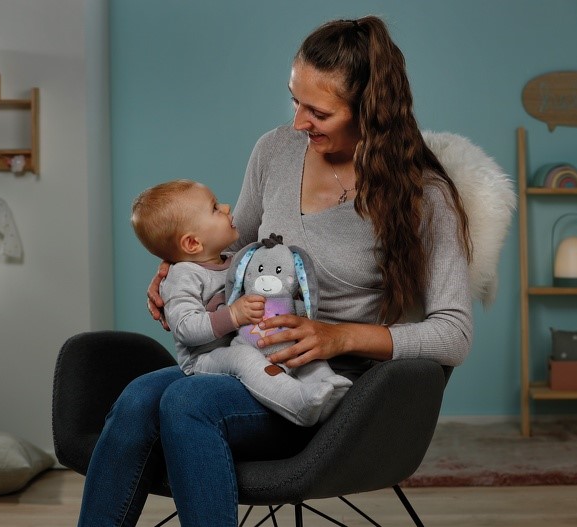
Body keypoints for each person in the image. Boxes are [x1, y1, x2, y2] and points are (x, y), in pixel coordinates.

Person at [78, 15, 473, 527]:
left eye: (319, 112)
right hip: (247, 355)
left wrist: (338, 336)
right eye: (295, 102)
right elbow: (233, 245)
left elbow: (453, 333)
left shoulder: (425, 197)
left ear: (371, 111)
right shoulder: (276, 150)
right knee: (136, 399)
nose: (299, 123)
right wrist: (178, 271)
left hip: (323, 387)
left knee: (188, 402)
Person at [129, 180, 352, 426]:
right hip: (206, 357)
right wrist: (233, 316)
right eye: (215, 208)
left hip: (244, 340)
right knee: (244, 359)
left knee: (295, 342)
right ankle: (298, 404)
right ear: (193, 243)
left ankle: (327, 385)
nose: (226, 207)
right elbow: (185, 328)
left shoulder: (237, 261)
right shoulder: (182, 276)